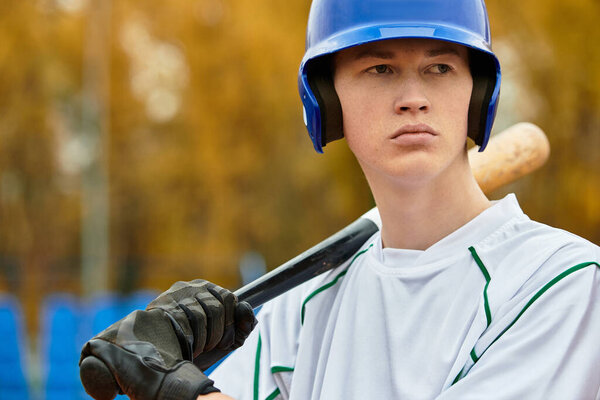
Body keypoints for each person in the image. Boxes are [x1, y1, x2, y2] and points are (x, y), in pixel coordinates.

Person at [80, 0, 600, 399]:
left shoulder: (561, 284)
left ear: (477, 93)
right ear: (327, 100)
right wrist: (163, 360)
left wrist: (185, 393)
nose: (414, 96)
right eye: (380, 69)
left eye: (440, 68)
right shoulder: (302, 308)